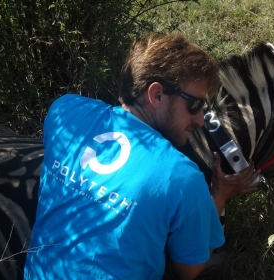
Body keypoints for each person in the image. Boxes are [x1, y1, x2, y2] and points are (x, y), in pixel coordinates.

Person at [24, 33, 260, 280]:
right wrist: (219, 195)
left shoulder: (64, 110)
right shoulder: (181, 176)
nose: (201, 119)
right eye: (195, 105)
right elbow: (190, 269)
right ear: (157, 95)